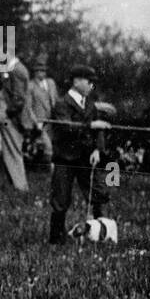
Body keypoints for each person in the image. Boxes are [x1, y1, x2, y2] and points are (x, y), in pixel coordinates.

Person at [48, 64, 111, 245]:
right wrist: (90, 126)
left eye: (93, 83)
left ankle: (102, 235)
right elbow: (66, 127)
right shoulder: (62, 104)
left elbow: (99, 131)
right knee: (60, 199)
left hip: (86, 158)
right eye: (89, 82)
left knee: (98, 194)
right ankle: (56, 240)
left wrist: (97, 150)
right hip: (65, 159)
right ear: (76, 81)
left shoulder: (90, 104)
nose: (92, 86)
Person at [0, 53, 31, 192]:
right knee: (11, 151)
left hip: (13, 118)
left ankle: (21, 188)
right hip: (12, 117)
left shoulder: (17, 70)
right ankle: (16, 186)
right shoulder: (12, 69)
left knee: (13, 151)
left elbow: (19, 99)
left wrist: (7, 113)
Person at [25, 53, 59, 168]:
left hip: (52, 120)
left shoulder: (51, 83)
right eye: (38, 71)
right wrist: (35, 122)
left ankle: (44, 167)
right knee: (47, 146)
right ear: (34, 72)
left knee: (53, 144)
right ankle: (50, 171)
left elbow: (56, 101)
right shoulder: (30, 86)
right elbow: (28, 107)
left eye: (43, 70)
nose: (41, 73)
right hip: (39, 121)